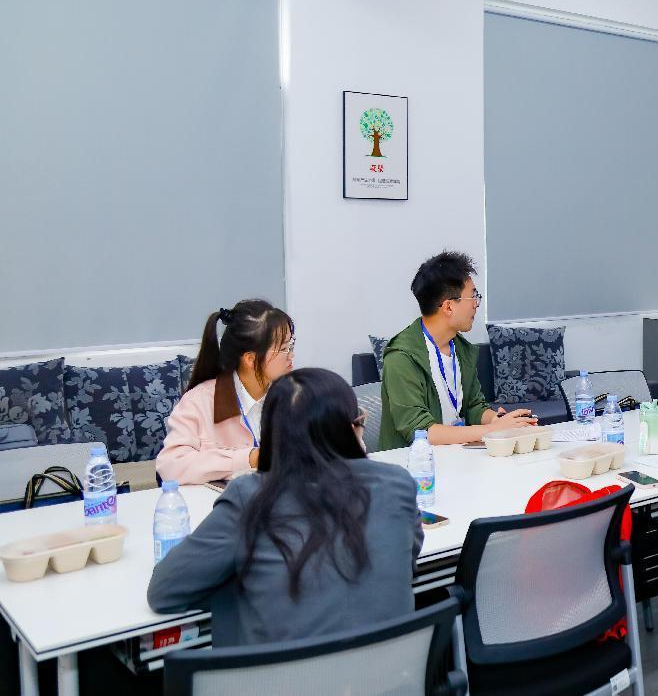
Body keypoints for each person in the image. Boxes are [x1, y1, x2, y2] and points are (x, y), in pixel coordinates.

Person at [148, 368, 420, 646]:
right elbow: (405, 563)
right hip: (394, 668)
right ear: (351, 430)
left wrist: (253, 581)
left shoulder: (250, 496)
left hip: (281, 671)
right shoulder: (397, 483)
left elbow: (165, 591)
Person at [380, 251, 534, 449]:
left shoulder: (461, 348)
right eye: (473, 296)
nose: (476, 304)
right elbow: (421, 431)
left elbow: (474, 406)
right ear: (448, 307)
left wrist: (497, 420)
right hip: (416, 463)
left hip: (455, 455)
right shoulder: (402, 357)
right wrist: (492, 430)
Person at [156, 299, 294, 485]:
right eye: (284, 349)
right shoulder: (200, 401)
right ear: (251, 359)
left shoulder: (293, 396)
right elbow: (170, 467)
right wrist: (250, 458)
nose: (291, 355)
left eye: (291, 345)